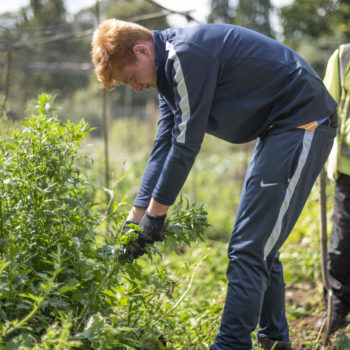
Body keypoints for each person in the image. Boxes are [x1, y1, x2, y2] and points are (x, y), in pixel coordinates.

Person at [91, 19, 337, 350]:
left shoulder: (184, 55)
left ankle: (231, 345)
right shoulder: (167, 71)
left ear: (141, 50)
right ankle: (275, 339)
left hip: (304, 120)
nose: (136, 88)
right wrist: (136, 219)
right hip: (280, 127)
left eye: (133, 78)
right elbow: (164, 141)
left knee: (249, 246)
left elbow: (186, 144)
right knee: (257, 241)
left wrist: (157, 216)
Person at [315, 44, 350, 334]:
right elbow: (324, 108)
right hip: (349, 172)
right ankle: (338, 303)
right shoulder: (344, 57)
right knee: (342, 241)